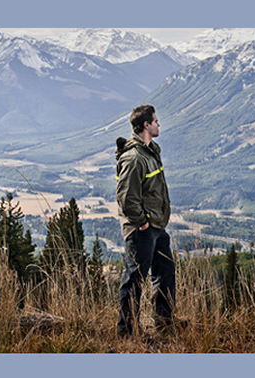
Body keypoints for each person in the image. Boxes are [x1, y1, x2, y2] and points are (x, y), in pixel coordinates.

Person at [115, 104, 176, 337]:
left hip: (157, 227)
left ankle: (165, 323)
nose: (159, 124)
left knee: (165, 271)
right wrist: (142, 222)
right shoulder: (134, 158)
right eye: (156, 121)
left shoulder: (151, 151)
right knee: (134, 279)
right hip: (142, 228)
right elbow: (126, 197)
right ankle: (127, 332)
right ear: (146, 125)